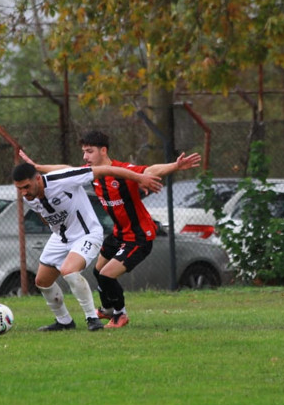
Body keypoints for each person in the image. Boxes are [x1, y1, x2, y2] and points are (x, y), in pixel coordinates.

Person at [19, 130, 201, 329]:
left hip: (139, 235)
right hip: (119, 234)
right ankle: (106, 309)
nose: (85, 156)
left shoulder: (121, 171)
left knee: (106, 274)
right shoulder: (92, 175)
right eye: (84, 152)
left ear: (103, 150)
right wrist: (37, 167)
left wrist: (175, 165)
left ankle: (120, 315)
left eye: (89, 152)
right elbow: (65, 169)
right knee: (98, 271)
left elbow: (149, 171)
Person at [12, 161, 162, 331]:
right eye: (19, 189)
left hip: (87, 233)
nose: (23, 192)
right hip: (61, 237)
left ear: (38, 179)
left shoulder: (63, 180)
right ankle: (64, 322)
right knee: (42, 281)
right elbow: (44, 215)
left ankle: (92, 319)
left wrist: (139, 178)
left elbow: (105, 169)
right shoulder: (29, 196)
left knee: (69, 270)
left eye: (26, 186)